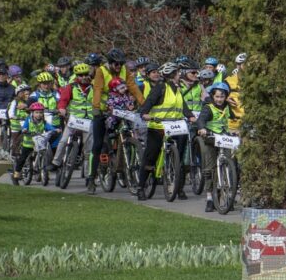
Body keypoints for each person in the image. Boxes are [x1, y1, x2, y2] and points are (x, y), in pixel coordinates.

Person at [136, 61, 193, 201]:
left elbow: (182, 106)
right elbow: (148, 102)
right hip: (158, 127)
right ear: (173, 75)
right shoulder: (160, 88)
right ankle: (141, 187)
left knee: (178, 159)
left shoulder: (177, 89)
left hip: (176, 126)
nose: (180, 75)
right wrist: (144, 114)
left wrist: (190, 116)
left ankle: (178, 188)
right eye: (178, 73)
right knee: (150, 158)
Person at [91, 48, 143, 189]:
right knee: (97, 145)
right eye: (116, 64)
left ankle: (124, 159)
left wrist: (144, 104)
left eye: (121, 64)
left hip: (121, 109)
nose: (119, 66)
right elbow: (97, 89)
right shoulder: (101, 71)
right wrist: (96, 108)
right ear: (110, 63)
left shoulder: (124, 70)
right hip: (103, 110)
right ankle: (91, 178)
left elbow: (133, 87)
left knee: (128, 131)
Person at [195, 82, 237, 212]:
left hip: (224, 138)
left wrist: (237, 129)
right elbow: (201, 120)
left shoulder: (227, 107)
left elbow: (233, 119)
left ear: (226, 97)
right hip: (210, 139)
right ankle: (209, 198)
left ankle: (229, 195)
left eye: (222, 96)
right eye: (217, 96)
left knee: (231, 164)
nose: (219, 99)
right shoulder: (208, 108)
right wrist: (202, 128)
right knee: (209, 168)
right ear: (213, 96)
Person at [53, 62, 97, 186]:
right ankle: (56, 162)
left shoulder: (94, 87)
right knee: (63, 140)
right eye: (80, 75)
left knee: (89, 150)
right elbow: (63, 100)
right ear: (77, 76)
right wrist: (61, 108)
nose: (83, 77)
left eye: (85, 75)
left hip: (88, 121)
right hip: (74, 120)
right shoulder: (71, 87)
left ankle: (89, 175)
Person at [11, 102, 57, 183]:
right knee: (22, 158)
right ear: (32, 113)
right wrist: (24, 130)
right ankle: (16, 174)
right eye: (36, 112)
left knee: (45, 154)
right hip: (28, 144)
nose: (39, 114)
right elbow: (24, 127)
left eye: (41, 113)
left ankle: (44, 172)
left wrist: (55, 129)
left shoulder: (43, 122)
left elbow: (49, 127)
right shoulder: (28, 120)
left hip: (39, 144)